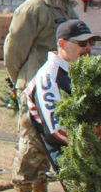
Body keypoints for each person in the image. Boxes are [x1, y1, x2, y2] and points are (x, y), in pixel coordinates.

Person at [4, 0, 81, 192]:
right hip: (36, 86)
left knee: (51, 140)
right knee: (32, 141)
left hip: (59, 86)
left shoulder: (67, 8)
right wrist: (23, 83)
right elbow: (14, 50)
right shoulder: (34, 8)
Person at [20, 19, 99, 170]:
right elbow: (56, 130)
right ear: (62, 44)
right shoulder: (49, 77)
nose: (88, 48)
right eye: (82, 43)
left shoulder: (81, 71)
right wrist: (93, 144)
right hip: (68, 151)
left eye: (91, 42)